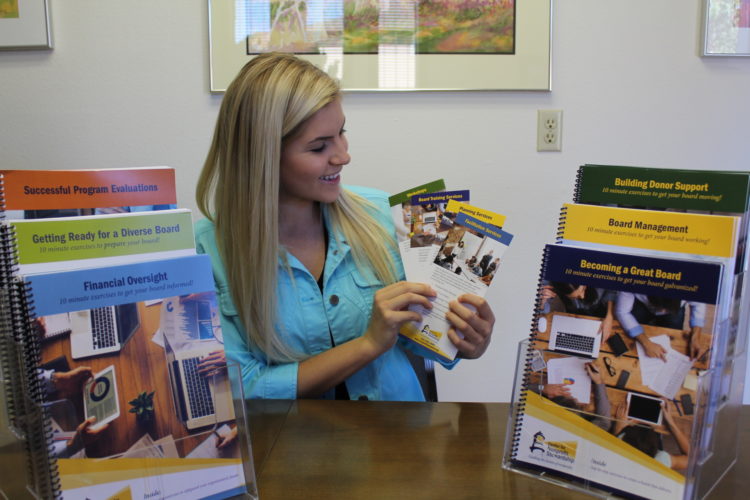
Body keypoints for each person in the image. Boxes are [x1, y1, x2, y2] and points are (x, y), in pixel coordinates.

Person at [194, 53, 495, 401]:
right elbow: (238, 389)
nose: (343, 156)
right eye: (319, 146)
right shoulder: (208, 253)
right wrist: (367, 344)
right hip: (287, 449)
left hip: (400, 441)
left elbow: (435, 340)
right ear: (262, 156)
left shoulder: (385, 214)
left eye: (342, 132)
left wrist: (469, 340)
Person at [615, 292, 706, 361]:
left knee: (675, 338)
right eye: (661, 309)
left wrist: (695, 338)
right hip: (642, 304)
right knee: (631, 335)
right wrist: (646, 343)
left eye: (665, 310)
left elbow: (699, 304)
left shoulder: (692, 283)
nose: (662, 312)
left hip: (675, 309)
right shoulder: (635, 277)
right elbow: (622, 312)